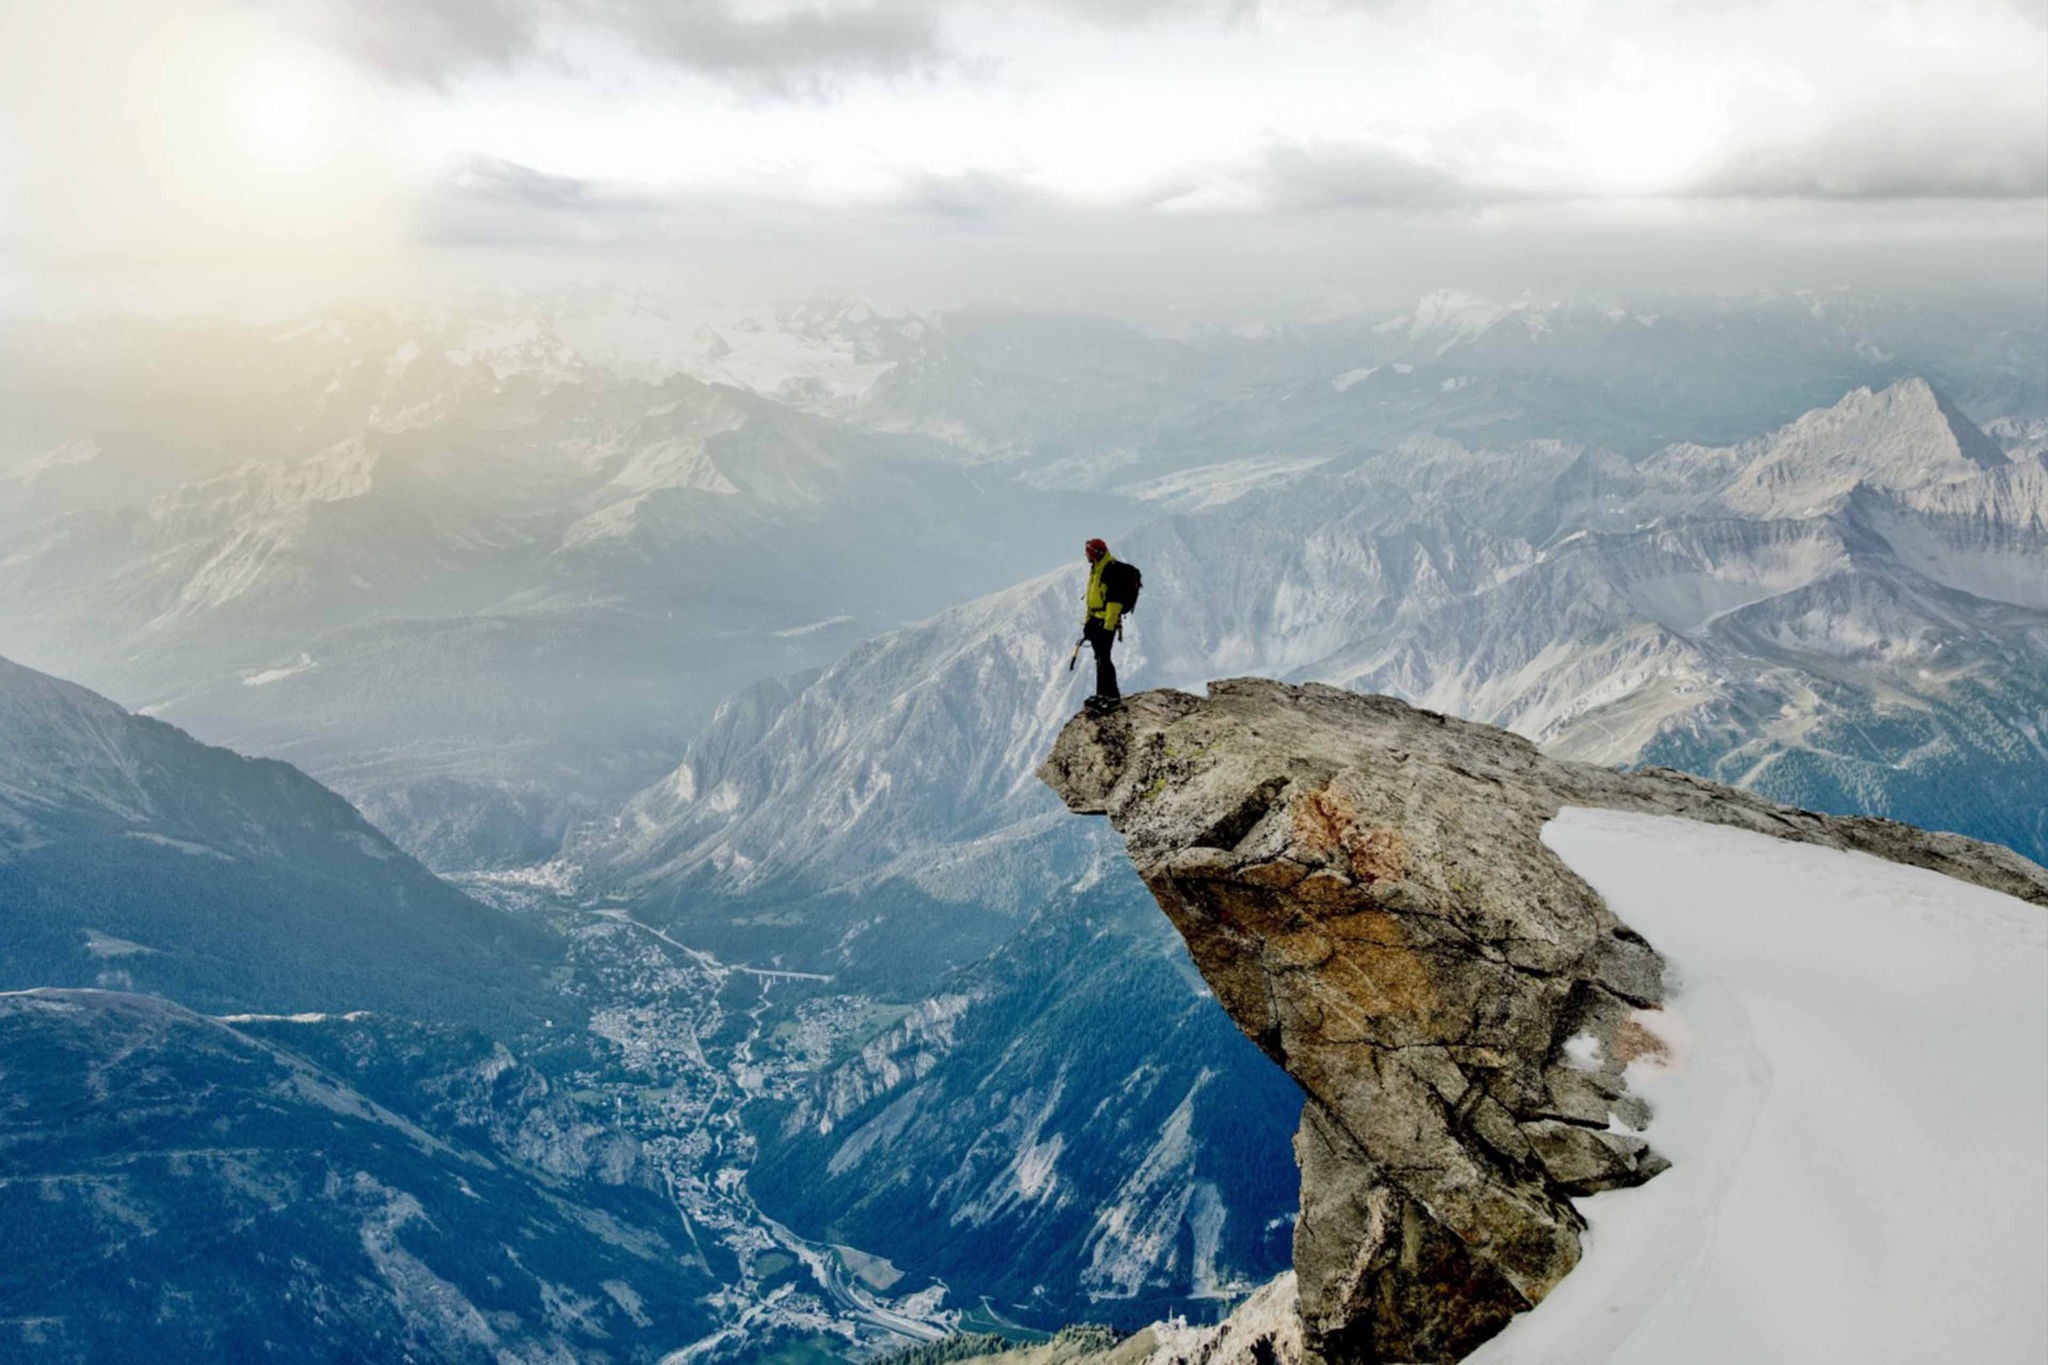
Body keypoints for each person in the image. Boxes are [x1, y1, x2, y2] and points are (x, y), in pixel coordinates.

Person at [1081, 537, 1122, 705]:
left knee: (1104, 658)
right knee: (1100, 657)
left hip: (1105, 622)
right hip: (1096, 620)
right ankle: (1102, 694)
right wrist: (1087, 622)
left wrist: (1108, 626)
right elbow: (1092, 600)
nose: (1086, 556)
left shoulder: (1109, 570)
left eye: (1088, 553)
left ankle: (1112, 696)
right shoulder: (1097, 569)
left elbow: (1114, 601)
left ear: (1094, 554)